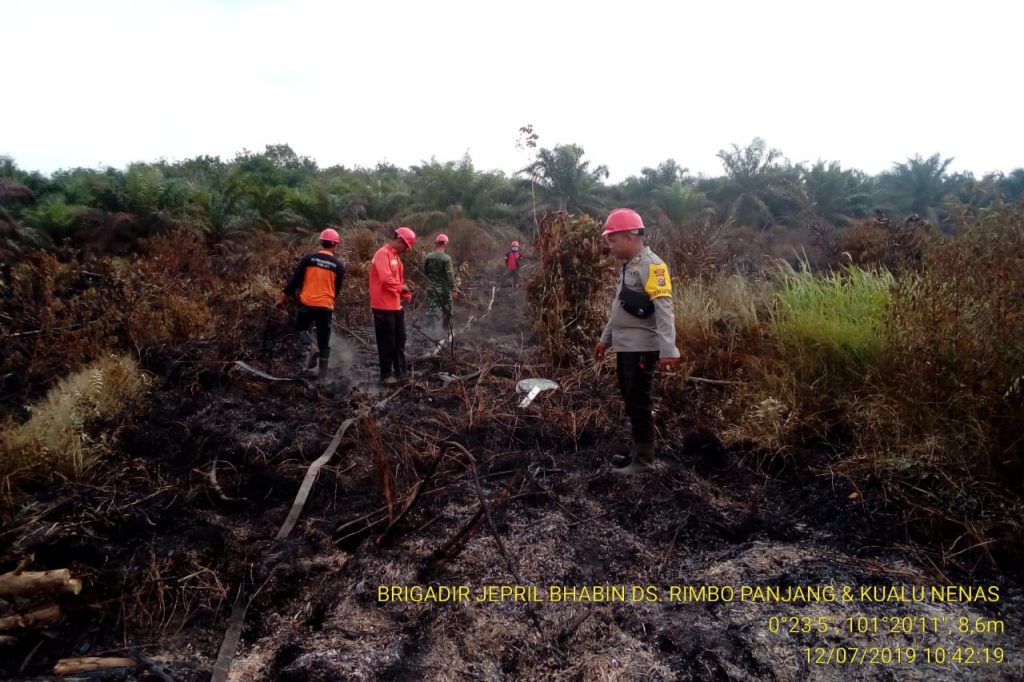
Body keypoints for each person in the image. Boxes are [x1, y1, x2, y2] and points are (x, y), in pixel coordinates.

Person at [593, 209, 681, 474]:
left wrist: (669, 348)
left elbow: (664, 308)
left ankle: (643, 462)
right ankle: (638, 453)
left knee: (639, 402)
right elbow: (619, 307)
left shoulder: (652, 266)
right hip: (626, 346)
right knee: (631, 400)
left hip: (643, 348)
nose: (610, 245)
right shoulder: (630, 266)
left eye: (613, 239)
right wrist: (604, 339)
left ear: (631, 236)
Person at [276, 228, 345, 381]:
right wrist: (329, 302)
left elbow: (295, 281)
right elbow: (336, 290)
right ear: (335, 245)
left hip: (307, 303)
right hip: (325, 306)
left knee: (300, 329)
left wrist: (282, 298)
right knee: (324, 342)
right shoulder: (338, 266)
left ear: (321, 242)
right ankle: (322, 378)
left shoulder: (308, 259)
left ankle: (310, 347)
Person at [370, 226, 416, 384]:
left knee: (400, 340)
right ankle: (385, 375)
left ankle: (400, 372)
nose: (406, 250)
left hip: (395, 306)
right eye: (406, 246)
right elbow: (386, 279)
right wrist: (401, 287)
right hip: (382, 307)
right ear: (400, 241)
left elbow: (397, 281)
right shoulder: (382, 254)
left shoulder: (396, 257)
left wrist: (405, 293)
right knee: (386, 343)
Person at [423, 233, 456, 335]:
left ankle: (431, 332)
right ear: (445, 244)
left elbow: (426, 271)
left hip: (432, 287)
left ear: (436, 243)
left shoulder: (428, 257)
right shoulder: (447, 258)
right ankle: (446, 331)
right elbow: (450, 276)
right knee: (448, 309)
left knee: (432, 309)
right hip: (445, 289)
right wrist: (454, 288)